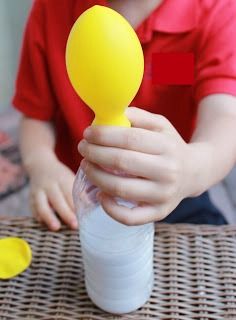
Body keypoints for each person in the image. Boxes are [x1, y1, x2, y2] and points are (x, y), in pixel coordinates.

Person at [13, 0, 236, 231]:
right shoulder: (51, 9)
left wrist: (194, 166)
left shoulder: (216, 11)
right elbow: (36, 114)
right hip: (81, 188)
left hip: (174, 183)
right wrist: (41, 163)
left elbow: (224, 115)